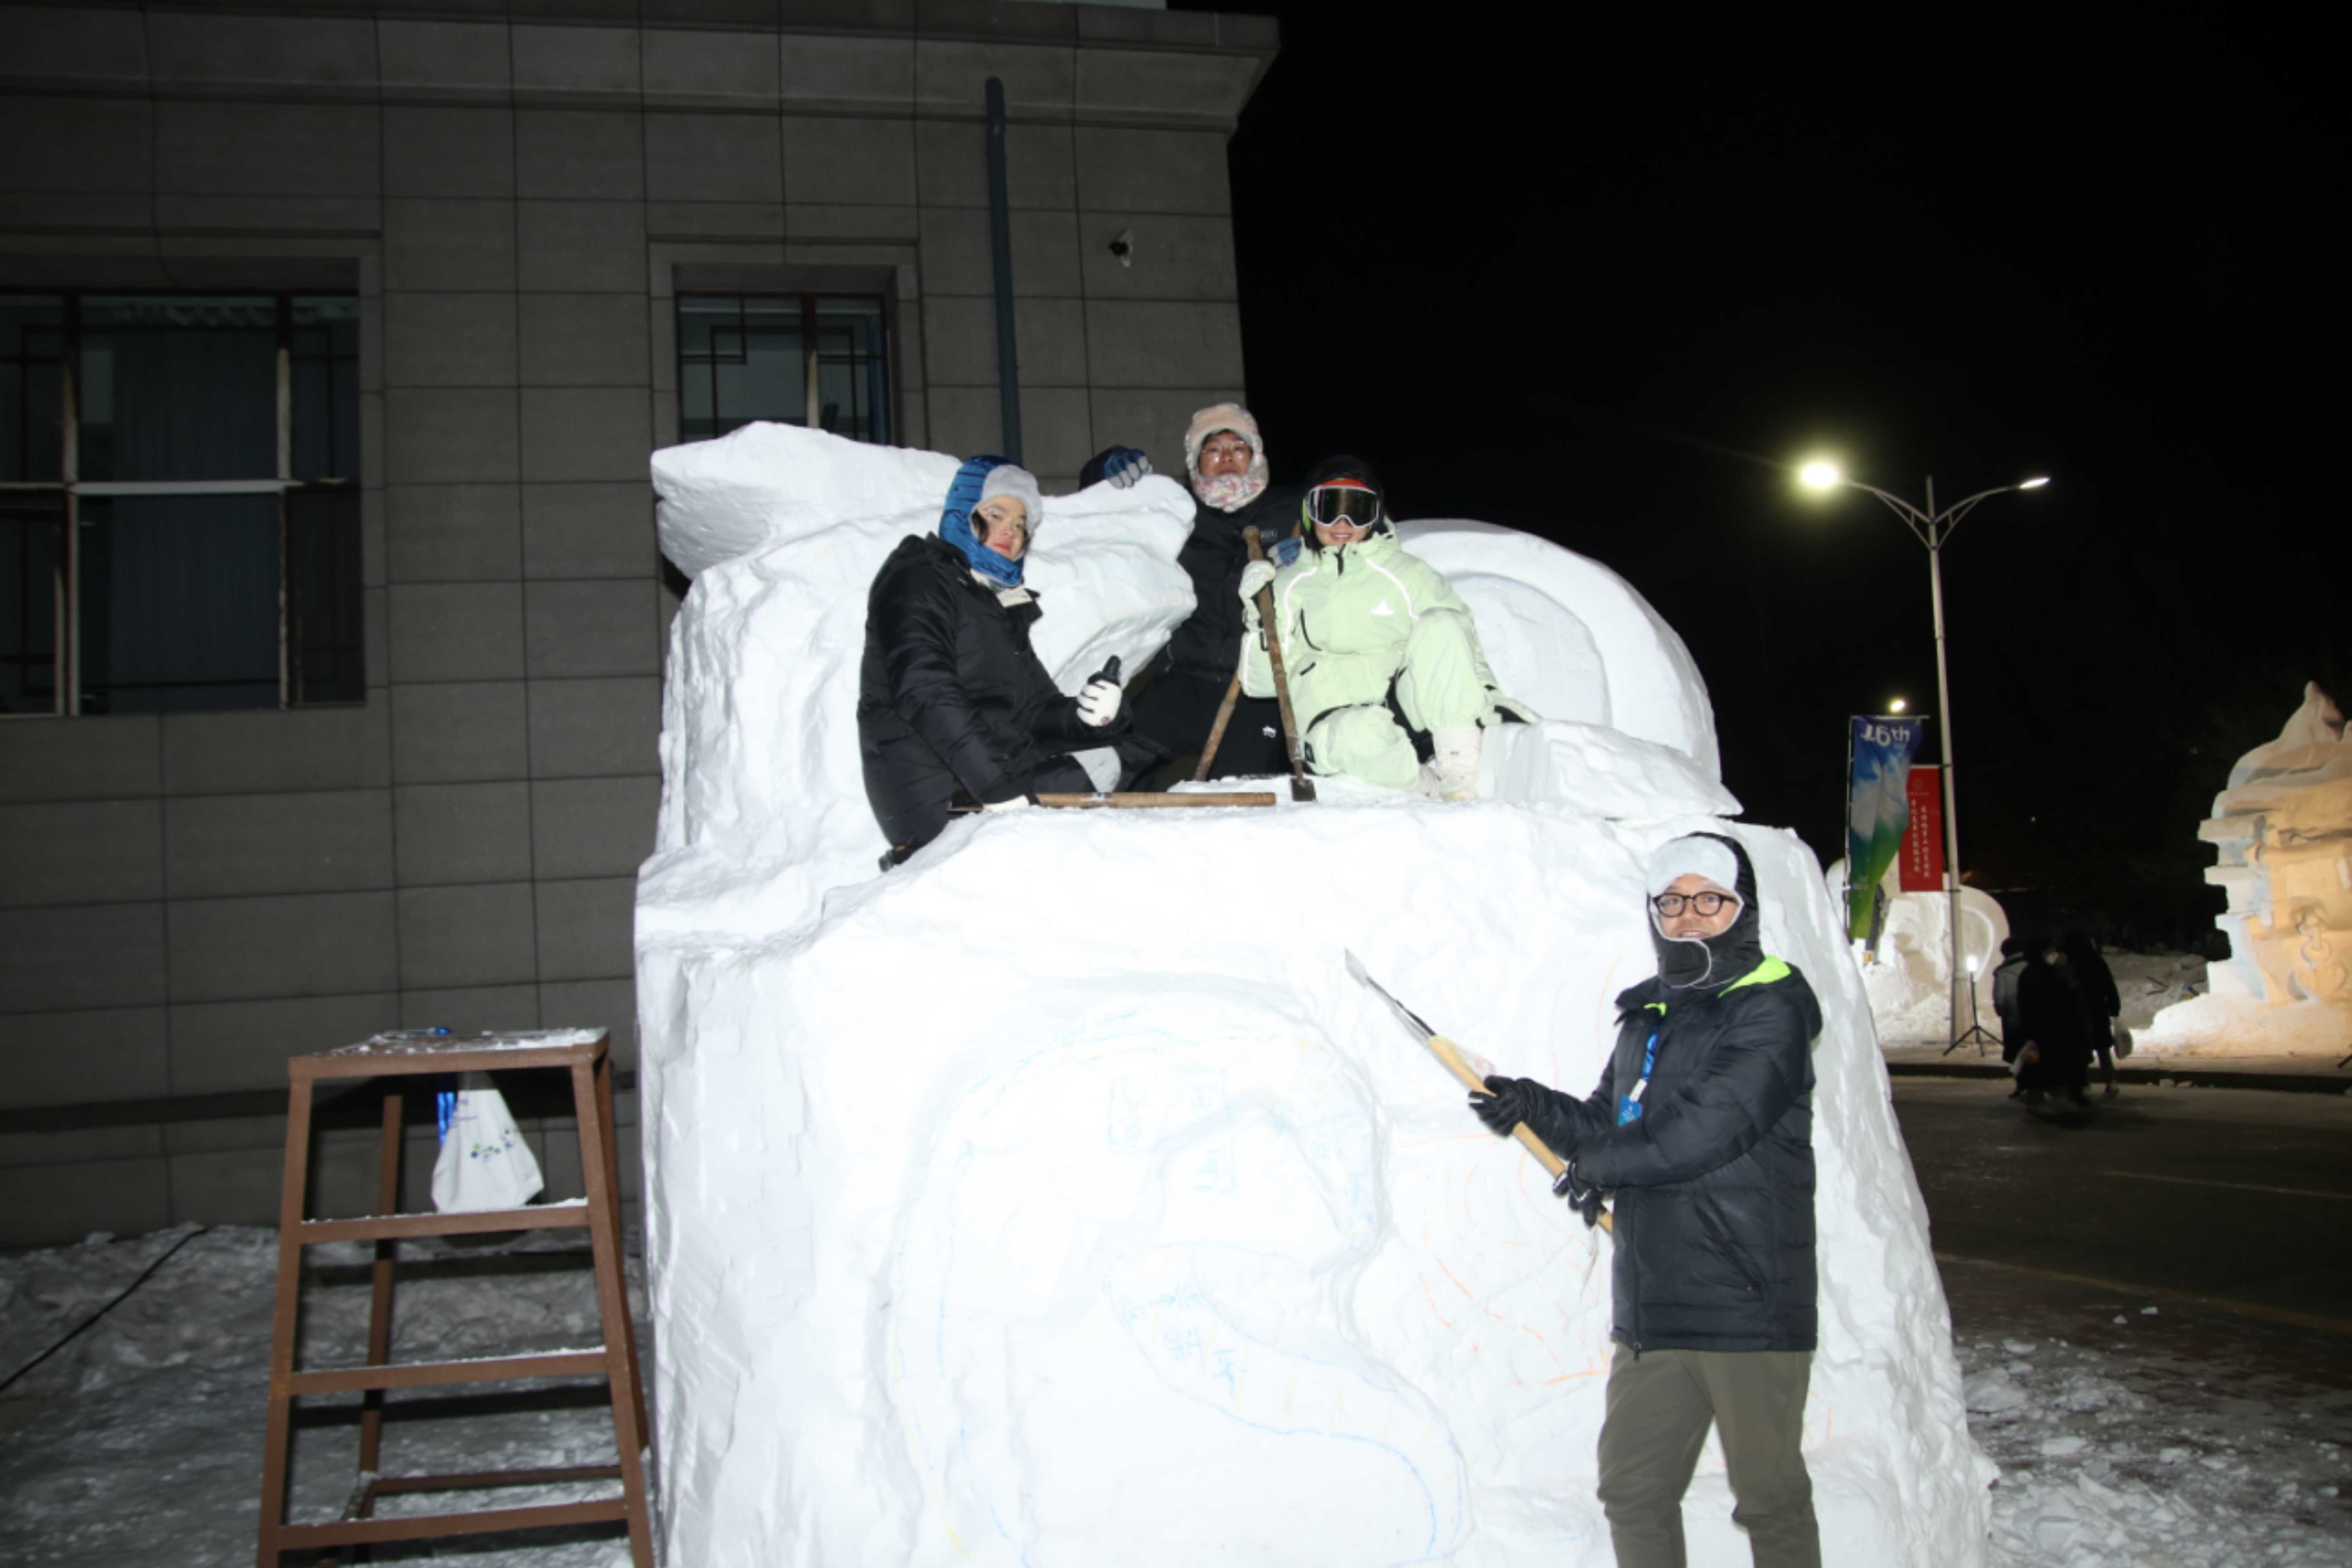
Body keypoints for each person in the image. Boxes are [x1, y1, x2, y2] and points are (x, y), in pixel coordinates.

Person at [1469, 833, 1823, 1568]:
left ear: (1743, 909)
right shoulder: (1650, 1015)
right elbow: (1610, 1124)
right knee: (1633, 1492)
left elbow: (1703, 1132)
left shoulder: (1773, 1008)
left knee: (1770, 1500)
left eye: (1709, 899)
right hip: (1655, 1303)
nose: (1688, 915)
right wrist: (1531, 1106)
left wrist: (1597, 1164)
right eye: (1671, 901)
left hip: (1747, 1302)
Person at [857, 457, 1127, 867]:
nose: (1009, 531)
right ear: (963, 514)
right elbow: (925, 688)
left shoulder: (996, 604)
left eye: (1020, 524)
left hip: (986, 776)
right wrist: (995, 786)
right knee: (1088, 787)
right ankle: (928, 866)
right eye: (996, 514)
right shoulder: (920, 577)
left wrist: (1087, 717)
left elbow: (1033, 709)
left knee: (1107, 757)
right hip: (935, 789)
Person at [1237, 455, 1531, 800]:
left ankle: (1459, 772)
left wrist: (1491, 698)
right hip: (1336, 727)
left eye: (1357, 509)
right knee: (1360, 736)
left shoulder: (1408, 574)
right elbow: (1261, 685)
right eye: (1330, 508)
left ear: (1375, 515)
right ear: (1309, 513)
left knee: (1441, 621)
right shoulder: (1289, 586)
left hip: (1403, 710)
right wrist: (1259, 616)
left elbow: (1457, 642)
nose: (1343, 523)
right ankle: (1426, 788)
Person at [1091, 405, 1302, 781]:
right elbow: (1100, 516)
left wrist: (1313, 557)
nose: (1227, 458)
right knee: (1111, 765)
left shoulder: (1291, 510)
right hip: (1182, 680)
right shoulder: (1176, 511)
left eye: (1239, 448)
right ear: (1195, 461)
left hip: (1255, 688)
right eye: (1213, 449)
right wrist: (1102, 473)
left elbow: (1357, 520)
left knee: (1237, 793)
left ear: (1256, 455)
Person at [2015, 936, 2091, 1108]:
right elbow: (2064, 998)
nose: (2054, 954)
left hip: (2046, 1029)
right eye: (2050, 951)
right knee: (2049, 1066)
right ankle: (2052, 1098)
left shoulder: (2032, 974)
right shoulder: (2045, 974)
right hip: (2051, 1029)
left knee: (2044, 1066)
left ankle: (2042, 1096)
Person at [2063, 929, 2122, 1098]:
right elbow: (2109, 985)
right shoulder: (2097, 960)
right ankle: (2111, 1082)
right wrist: (2114, 1007)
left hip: (2076, 1012)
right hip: (2098, 1010)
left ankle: (2084, 1085)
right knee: (2103, 1049)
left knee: (2081, 1051)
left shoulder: (2069, 963)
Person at [1990, 935, 2030, 1098]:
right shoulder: (2031, 966)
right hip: (2033, 1019)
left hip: (2013, 1021)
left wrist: (2003, 1013)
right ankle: (2036, 1087)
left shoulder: (2003, 972)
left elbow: (2000, 1000)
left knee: (2017, 1054)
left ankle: (2022, 1086)